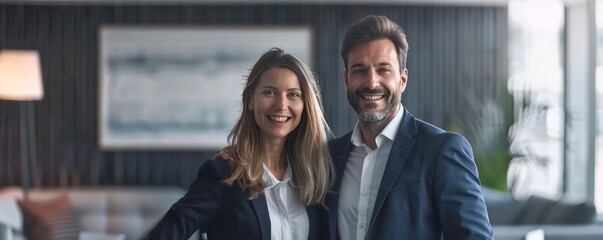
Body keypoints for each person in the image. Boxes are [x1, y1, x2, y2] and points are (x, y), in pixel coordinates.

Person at [324, 15, 494, 239]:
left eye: (383, 69)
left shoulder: (441, 151)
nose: (371, 82)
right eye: (359, 70)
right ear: (347, 79)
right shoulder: (331, 156)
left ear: (403, 80)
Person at [147, 47, 334, 240]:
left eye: (293, 94)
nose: (281, 105)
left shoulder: (318, 174)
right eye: (270, 92)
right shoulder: (223, 173)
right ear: (251, 100)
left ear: (305, 104)